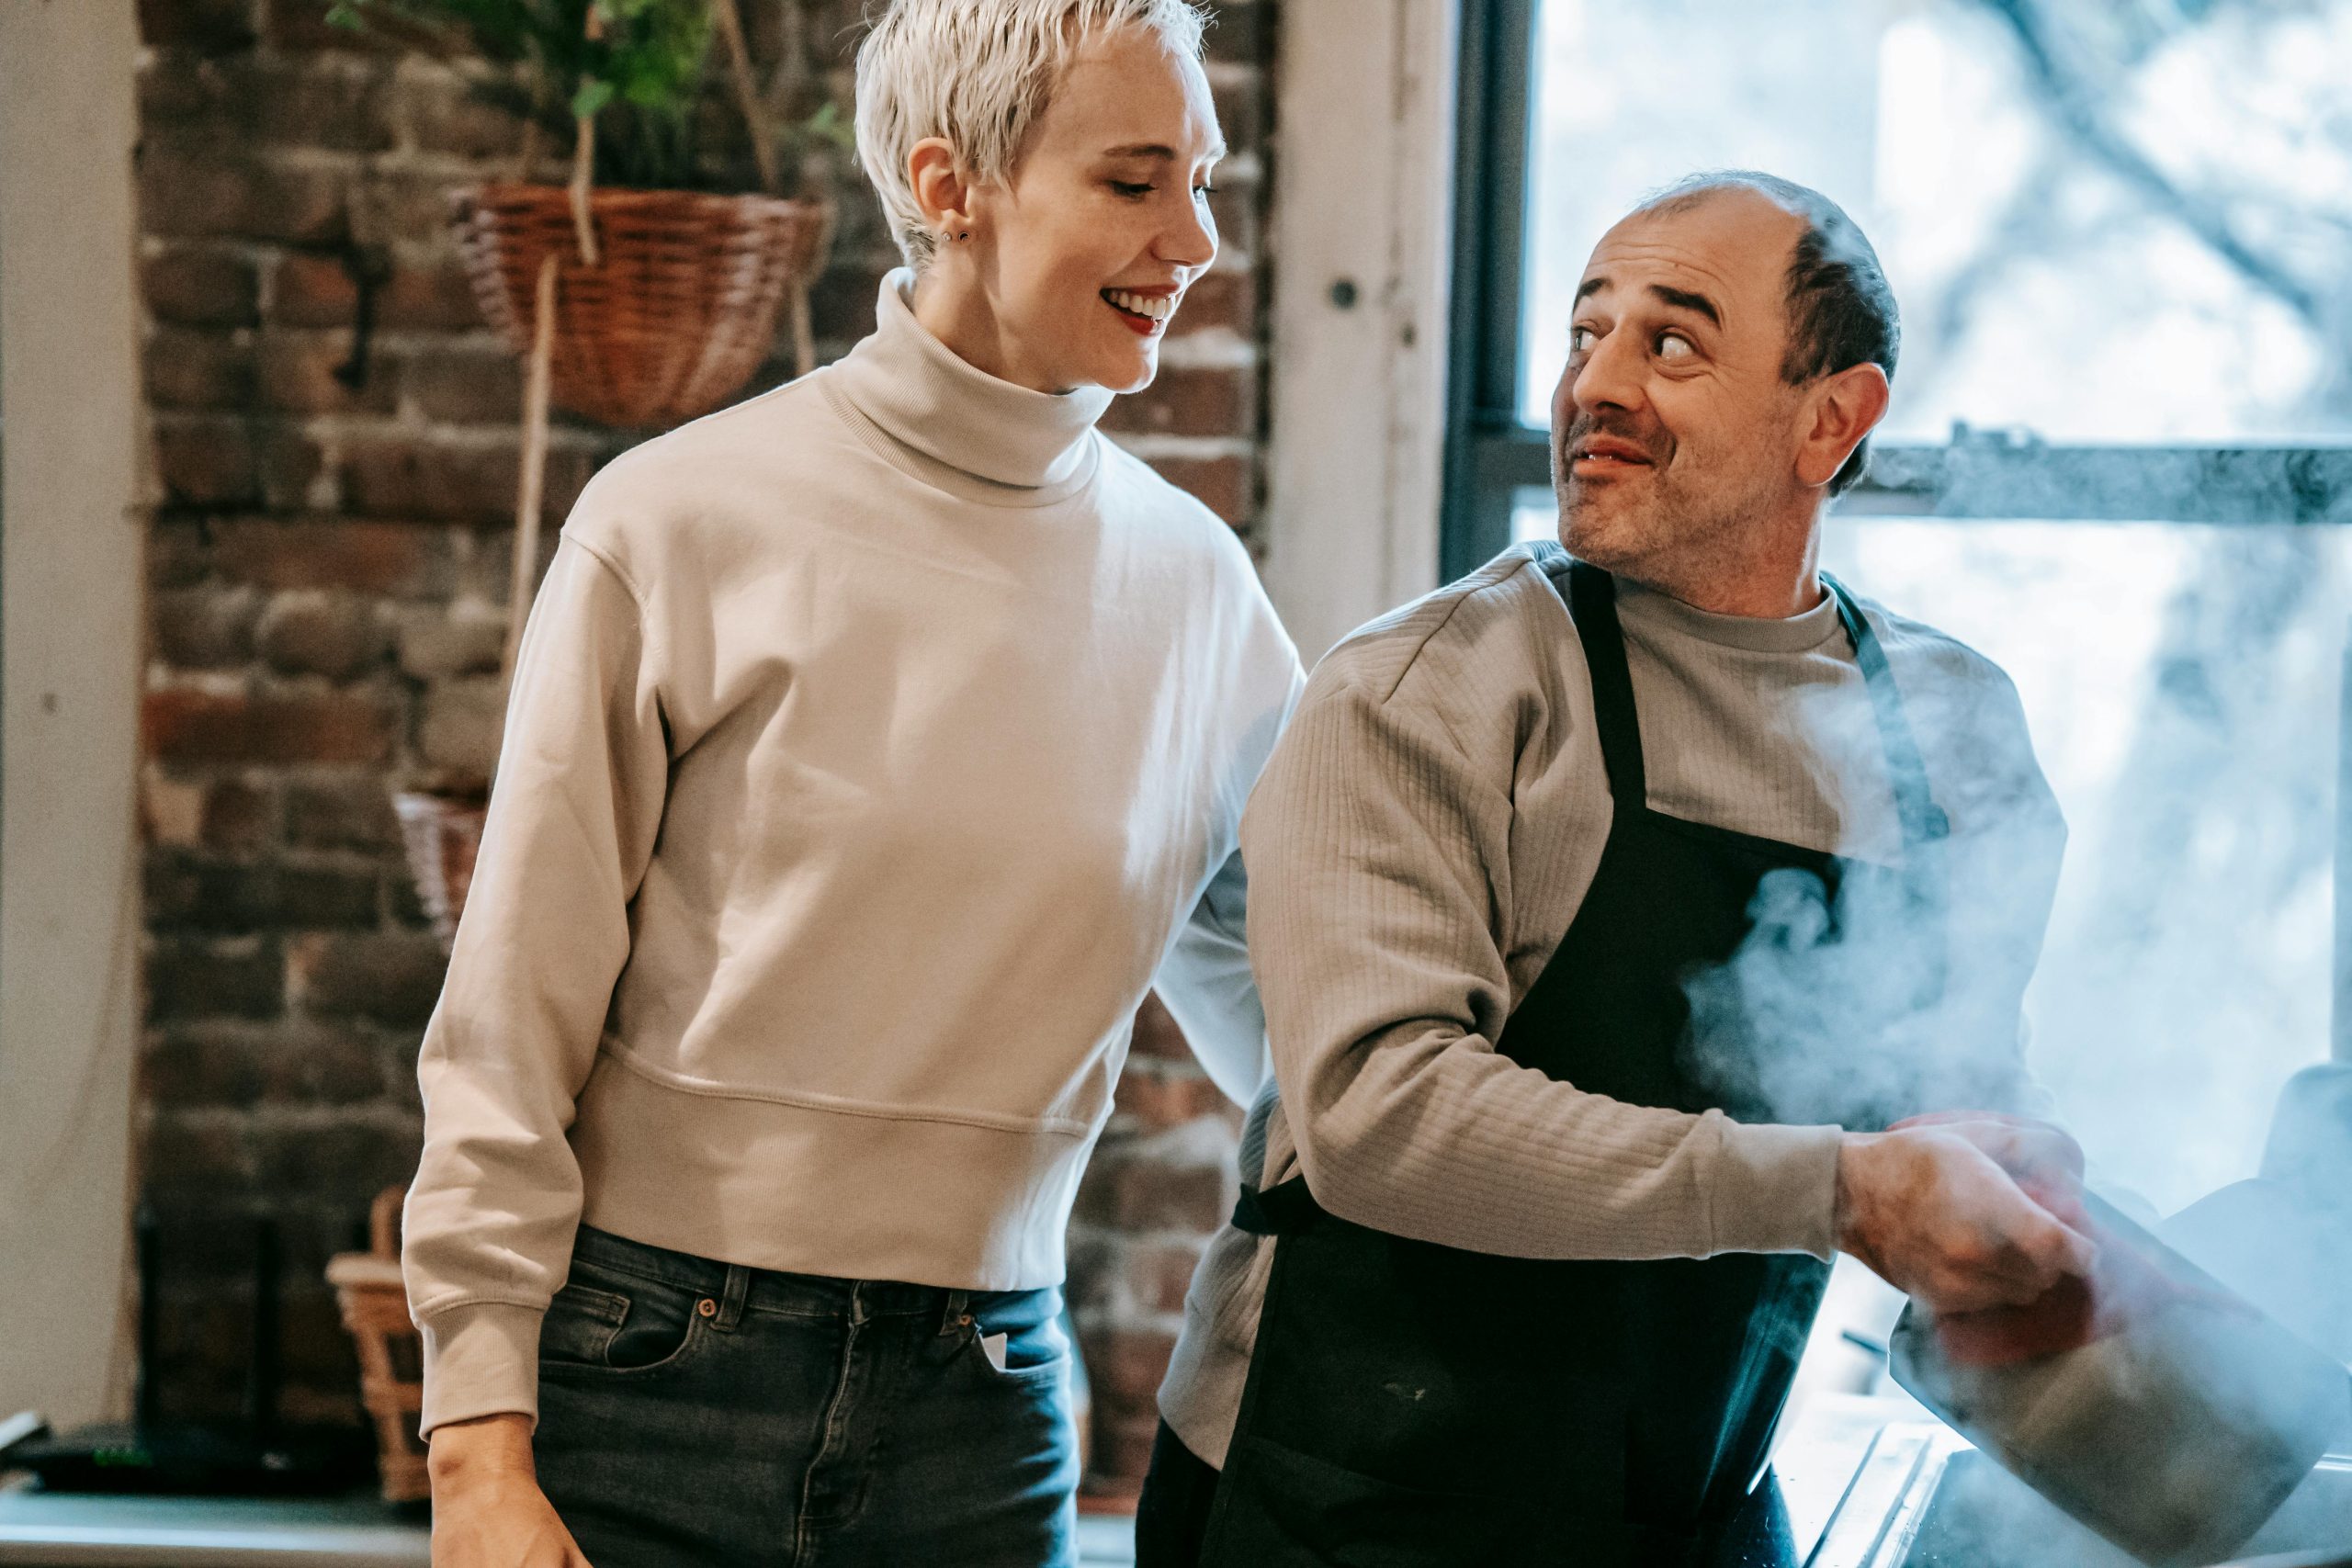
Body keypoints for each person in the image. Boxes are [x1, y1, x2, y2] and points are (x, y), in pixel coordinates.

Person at [404, 4, 1300, 1564]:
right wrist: (478, 1448)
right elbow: (509, 1017)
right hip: (642, 1380)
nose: (1195, 240)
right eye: (1134, 182)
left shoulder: (1199, 592)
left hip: (988, 1411)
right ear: (953, 186)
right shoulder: (678, 519)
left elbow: (1307, 1030)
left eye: (1204, 182)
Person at [1135, 172, 2095, 1568]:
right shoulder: (1431, 687)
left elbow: (1934, 1084)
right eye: (1587, 335)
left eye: (1673, 343)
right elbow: (1377, 1118)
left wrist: (2003, 1178)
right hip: (1348, 1499)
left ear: (1833, 417)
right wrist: (1840, 1190)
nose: (1598, 386)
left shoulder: (1955, 731)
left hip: (1696, 1507)